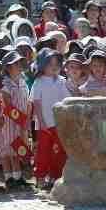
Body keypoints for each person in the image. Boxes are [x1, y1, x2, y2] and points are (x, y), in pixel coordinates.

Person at [30, 48, 70, 189]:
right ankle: (40, 177)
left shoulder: (61, 81)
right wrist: (40, 121)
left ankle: (55, 177)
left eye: (56, 63)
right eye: (50, 63)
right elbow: (36, 103)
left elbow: (67, 100)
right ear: (42, 65)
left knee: (58, 151)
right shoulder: (39, 82)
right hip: (44, 124)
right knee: (43, 151)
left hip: (58, 123)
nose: (54, 66)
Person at [0, 51, 30, 189]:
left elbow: (28, 102)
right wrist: (21, 120)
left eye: (19, 63)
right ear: (7, 67)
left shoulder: (23, 82)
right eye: (15, 63)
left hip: (23, 122)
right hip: (10, 123)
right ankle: (10, 178)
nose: (19, 66)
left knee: (19, 149)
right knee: (10, 150)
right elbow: (7, 105)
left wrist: (27, 119)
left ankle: (17, 176)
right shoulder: (5, 85)